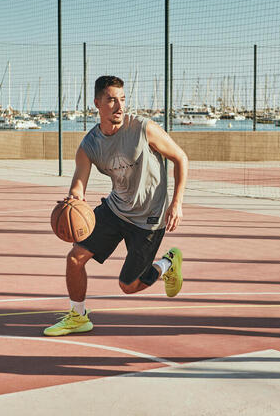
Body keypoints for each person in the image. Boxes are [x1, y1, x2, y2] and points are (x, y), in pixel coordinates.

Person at [44, 75, 188, 337]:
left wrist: (176, 203)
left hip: (149, 219)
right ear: (97, 104)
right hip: (116, 209)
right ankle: (78, 316)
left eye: (122, 99)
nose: (119, 106)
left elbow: (180, 158)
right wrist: (74, 200)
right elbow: (78, 184)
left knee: (128, 285)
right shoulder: (90, 146)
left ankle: (167, 263)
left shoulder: (143, 129)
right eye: (111, 100)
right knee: (75, 258)